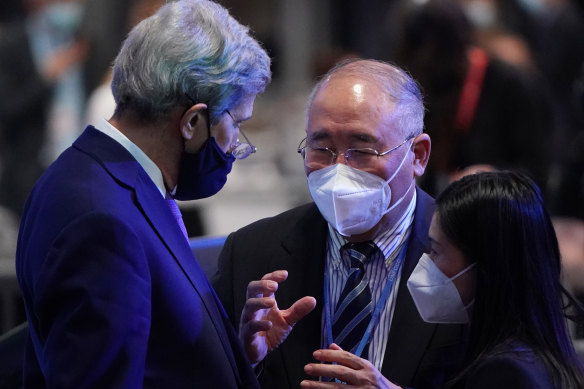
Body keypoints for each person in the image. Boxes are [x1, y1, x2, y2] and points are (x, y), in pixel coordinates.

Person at [15, 0, 271, 387]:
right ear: (193, 121)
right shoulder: (101, 223)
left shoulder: (103, 178)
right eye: (236, 123)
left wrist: (229, 353)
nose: (236, 143)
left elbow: (155, 349)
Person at [213, 59, 467, 388]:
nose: (339, 169)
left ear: (417, 155)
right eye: (321, 148)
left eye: (361, 149)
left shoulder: (471, 252)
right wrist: (245, 362)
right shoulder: (250, 253)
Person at [404, 171, 583, 388]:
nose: (427, 263)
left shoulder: (506, 373)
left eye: (436, 251)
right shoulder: (540, 355)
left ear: (485, 265)